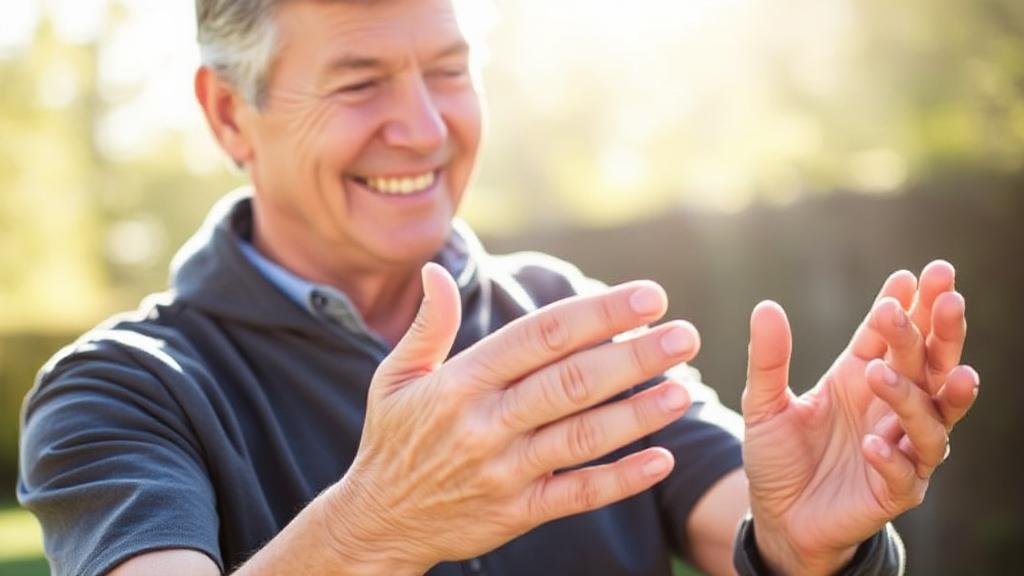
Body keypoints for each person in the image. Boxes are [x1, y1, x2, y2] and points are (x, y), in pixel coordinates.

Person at [18, 1, 979, 574]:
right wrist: (375, 526)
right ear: (232, 114)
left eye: (447, 71)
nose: (425, 127)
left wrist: (806, 543)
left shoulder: (563, 318)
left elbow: (756, 517)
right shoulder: (119, 391)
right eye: (359, 85)